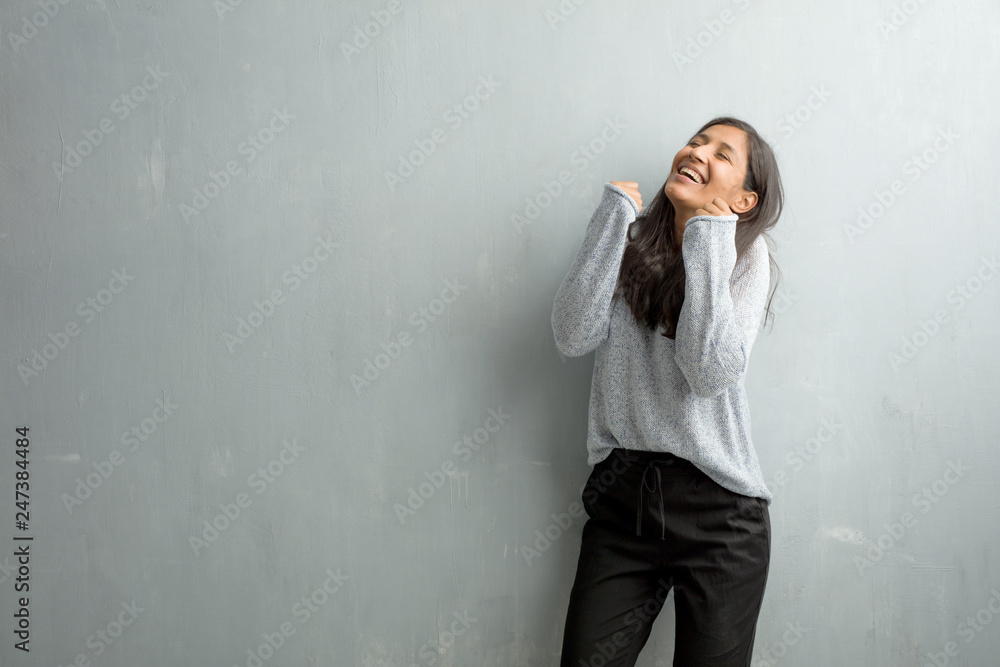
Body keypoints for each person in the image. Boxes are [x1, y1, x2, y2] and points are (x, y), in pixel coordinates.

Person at [551, 116, 784, 666]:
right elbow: (572, 334)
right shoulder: (628, 241)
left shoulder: (747, 258)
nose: (698, 152)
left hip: (720, 513)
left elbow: (710, 373)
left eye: (722, 154)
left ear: (744, 200)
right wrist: (612, 222)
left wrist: (709, 239)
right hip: (622, 502)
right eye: (697, 142)